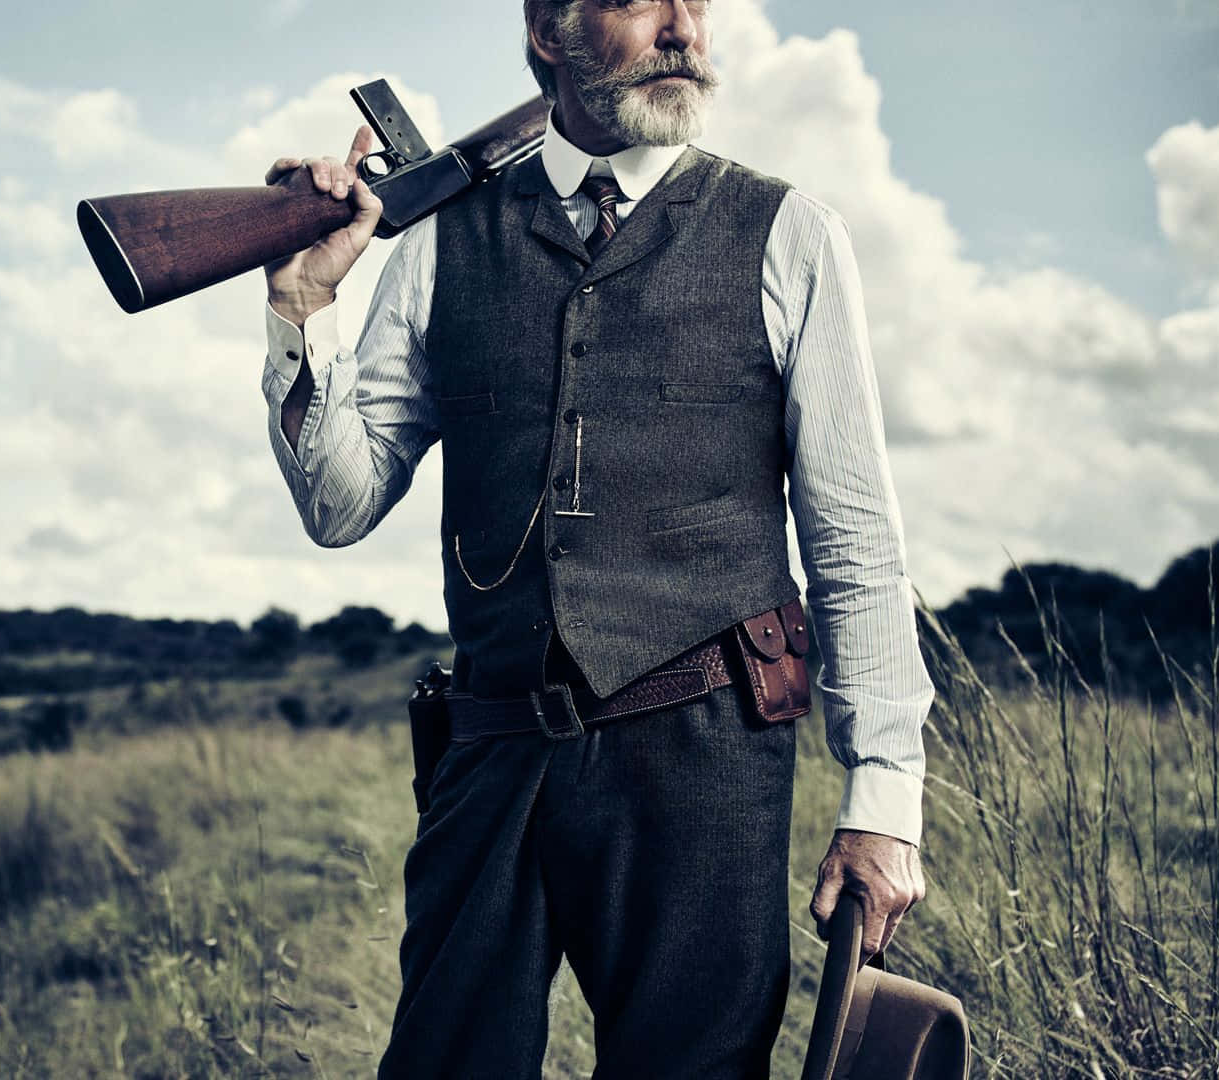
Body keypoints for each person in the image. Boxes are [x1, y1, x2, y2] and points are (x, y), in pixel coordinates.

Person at [257, 1, 933, 1076]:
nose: (680, 30)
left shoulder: (789, 231)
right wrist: (301, 309)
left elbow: (854, 543)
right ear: (547, 33)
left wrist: (883, 799)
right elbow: (341, 503)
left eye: (694, 3)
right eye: (636, 0)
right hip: (490, 752)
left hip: (702, 762)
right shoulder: (440, 238)